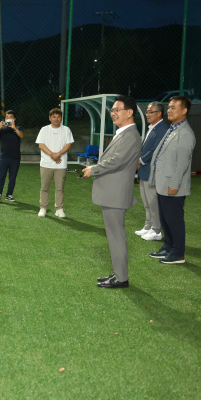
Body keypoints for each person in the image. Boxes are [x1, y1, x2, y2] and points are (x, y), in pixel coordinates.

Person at [82, 95, 141, 288]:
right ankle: (118, 274)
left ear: (130, 112)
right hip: (113, 193)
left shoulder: (131, 135)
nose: (113, 114)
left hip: (115, 194)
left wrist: (94, 169)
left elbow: (116, 160)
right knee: (114, 236)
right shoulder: (124, 133)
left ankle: (121, 278)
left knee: (116, 237)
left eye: (117, 110)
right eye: (112, 110)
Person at [148, 96, 196, 265]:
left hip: (173, 186)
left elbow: (182, 163)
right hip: (163, 183)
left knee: (174, 220)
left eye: (174, 107)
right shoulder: (173, 129)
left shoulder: (185, 134)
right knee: (166, 219)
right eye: (169, 107)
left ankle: (177, 253)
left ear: (184, 111)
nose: (169, 110)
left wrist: (174, 185)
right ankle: (168, 247)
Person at [135, 102, 168, 242]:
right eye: (147, 112)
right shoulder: (152, 128)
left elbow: (156, 149)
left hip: (152, 171)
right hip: (144, 171)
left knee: (153, 202)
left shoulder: (163, 129)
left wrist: (140, 160)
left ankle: (156, 230)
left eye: (150, 112)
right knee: (146, 201)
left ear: (159, 113)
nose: (147, 114)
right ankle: (148, 226)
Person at [36, 108, 74, 217]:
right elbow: (41, 145)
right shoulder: (44, 130)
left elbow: (68, 145)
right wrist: (53, 155)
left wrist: (58, 154)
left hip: (61, 164)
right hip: (46, 164)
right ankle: (43, 208)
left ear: (61, 118)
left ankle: (59, 209)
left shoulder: (66, 130)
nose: (56, 119)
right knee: (44, 187)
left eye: (58, 117)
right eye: (54, 117)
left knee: (60, 188)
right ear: (50, 118)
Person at [0, 110, 24, 203]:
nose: (8, 118)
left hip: (15, 158)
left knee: (12, 177)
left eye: (10, 117)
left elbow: (21, 136)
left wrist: (15, 128)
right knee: (1, 176)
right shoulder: (2, 129)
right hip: (4, 157)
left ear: (14, 118)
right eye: (7, 117)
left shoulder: (18, 128)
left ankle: (9, 195)